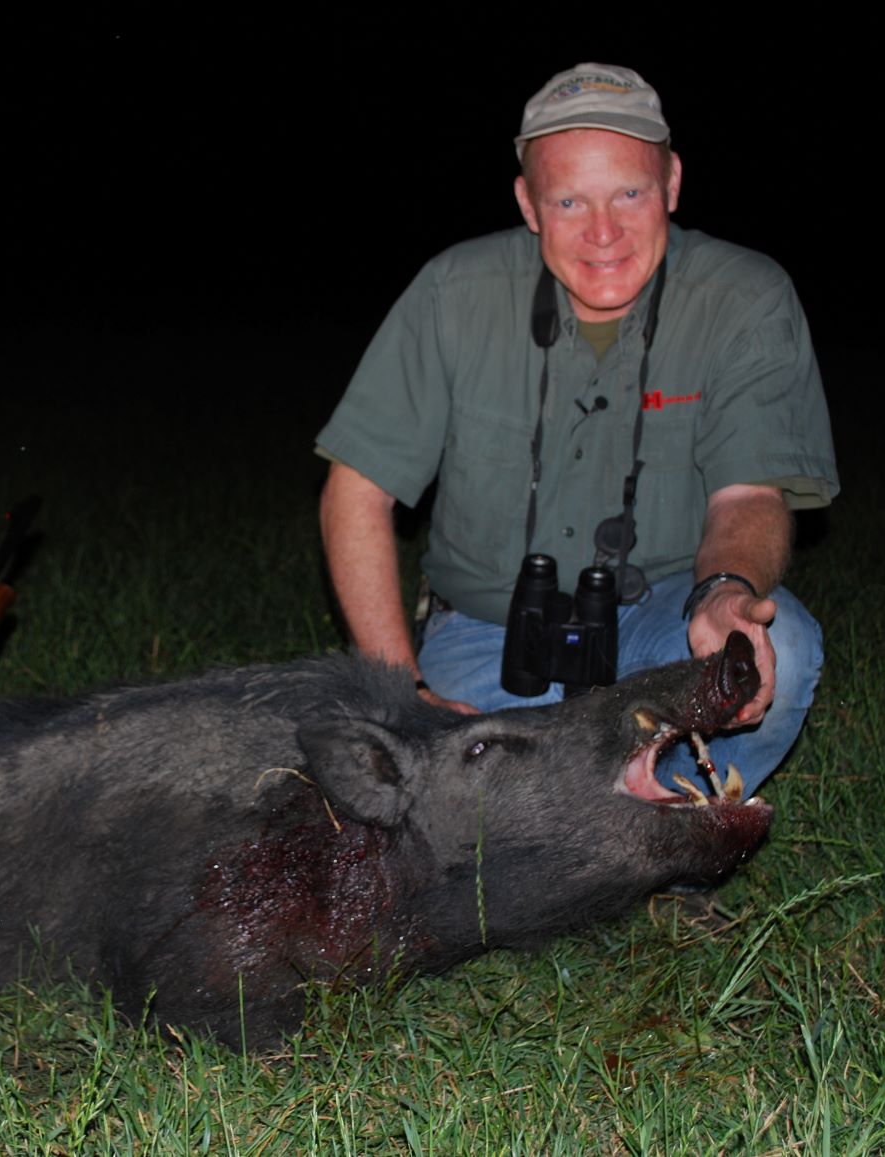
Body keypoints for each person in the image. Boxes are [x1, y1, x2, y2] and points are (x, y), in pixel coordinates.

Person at [315, 63, 838, 798]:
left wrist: (723, 592)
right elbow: (354, 492)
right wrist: (405, 697)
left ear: (673, 182)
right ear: (529, 203)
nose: (604, 232)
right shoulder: (452, 293)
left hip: (663, 623)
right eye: (569, 200)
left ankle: (672, 840)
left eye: (630, 192)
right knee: (485, 828)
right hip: (486, 637)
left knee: (774, 646)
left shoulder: (745, 298)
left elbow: (748, 491)